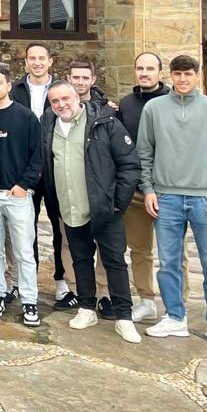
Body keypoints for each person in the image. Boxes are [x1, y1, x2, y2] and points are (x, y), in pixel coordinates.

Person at [138, 54, 207, 348]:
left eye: (188, 74)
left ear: (197, 76)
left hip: (205, 199)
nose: (183, 80)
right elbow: (145, 152)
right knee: (168, 262)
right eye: (178, 74)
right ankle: (174, 317)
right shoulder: (154, 109)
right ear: (170, 75)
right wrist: (149, 189)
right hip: (166, 198)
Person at [44, 80, 142, 343]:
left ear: (77, 96)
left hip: (105, 208)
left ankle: (124, 317)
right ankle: (86, 308)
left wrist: (118, 203)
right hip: (70, 207)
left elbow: (129, 165)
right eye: (55, 101)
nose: (61, 105)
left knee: (115, 262)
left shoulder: (104, 122)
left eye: (65, 98)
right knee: (80, 260)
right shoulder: (49, 125)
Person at [0, 63, 44, 327]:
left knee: (23, 251)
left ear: (8, 85)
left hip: (17, 194)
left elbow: (38, 155)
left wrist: (24, 184)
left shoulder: (26, 117)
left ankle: (29, 299)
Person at [11, 42, 71, 308]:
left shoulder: (60, 89)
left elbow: (87, 98)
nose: (36, 62)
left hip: (56, 166)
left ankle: (62, 279)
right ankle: (28, 280)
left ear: (50, 61)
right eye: (31, 58)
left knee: (61, 227)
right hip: (26, 169)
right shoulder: (16, 89)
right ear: (25, 62)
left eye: (41, 58)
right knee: (26, 228)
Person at [117, 52, 171, 323]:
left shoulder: (173, 101)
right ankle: (146, 300)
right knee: (139, 249)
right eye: (140, 68)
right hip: (137, 190)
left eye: (150, 68)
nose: (145, 73)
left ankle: (177, 306)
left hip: (168, 189)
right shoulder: (126, 104)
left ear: (160, 72)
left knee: (173, 253)